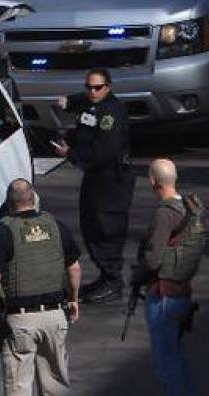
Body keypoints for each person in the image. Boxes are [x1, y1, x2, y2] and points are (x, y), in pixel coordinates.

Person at [0, 179, 82, 396]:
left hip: (21, 319)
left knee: (18, 384)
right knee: (56, 383)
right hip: (55, 314)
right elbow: (74, 268)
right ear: (33, 199)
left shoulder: (2, 232)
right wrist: (74, 299)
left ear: (9, 203)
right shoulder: (56, 226)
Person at [53, 68, 135, 303]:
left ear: (108, 87)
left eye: (97, 87)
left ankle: (113, 280)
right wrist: (68, 102)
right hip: (95, 178)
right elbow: (83, 110)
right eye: (88, 87)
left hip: (112, 180)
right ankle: (104, 275)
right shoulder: (90, 103)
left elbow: (103, 151)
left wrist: (71, 153)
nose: (92, 92)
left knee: (107, 226)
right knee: (91, 224)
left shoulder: (112, 114)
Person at [131, 158, 202, 396]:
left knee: (166, 363)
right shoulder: (189, 207)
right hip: (182, 291)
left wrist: (135, 277)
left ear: (153, 181)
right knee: (177, 358)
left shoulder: (165, 214)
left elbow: (154, 260)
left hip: (163, 296)